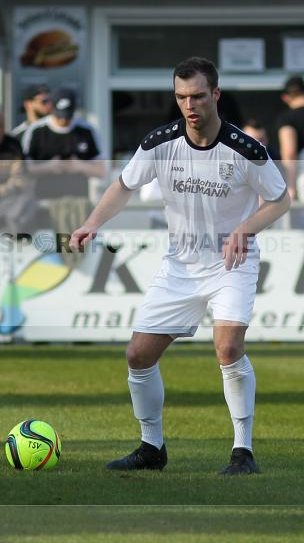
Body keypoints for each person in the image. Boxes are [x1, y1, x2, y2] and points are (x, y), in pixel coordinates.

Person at [70, 57, 289, 475]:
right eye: (182, 96)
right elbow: (123, 186)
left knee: (227, 348)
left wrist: (246, 228)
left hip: (231, 263)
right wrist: (91, 223)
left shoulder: (245, 149)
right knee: (138, 354)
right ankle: (152, 447)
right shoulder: (159, 143)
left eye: (198, 96)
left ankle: (243, 452)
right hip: (180, 267)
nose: (190, 105)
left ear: (216, 95)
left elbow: (281, 199)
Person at [24, 87, 106, 237]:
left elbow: (101, 171)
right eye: (59, 115)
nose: (63, 120)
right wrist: (49, 167)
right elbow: (24, 170)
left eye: (67, 116)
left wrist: (79, 166)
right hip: (43, 203)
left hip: (78, 203)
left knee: (73, 247)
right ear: (51, 109)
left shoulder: (86, 131)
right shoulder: (37, 131)